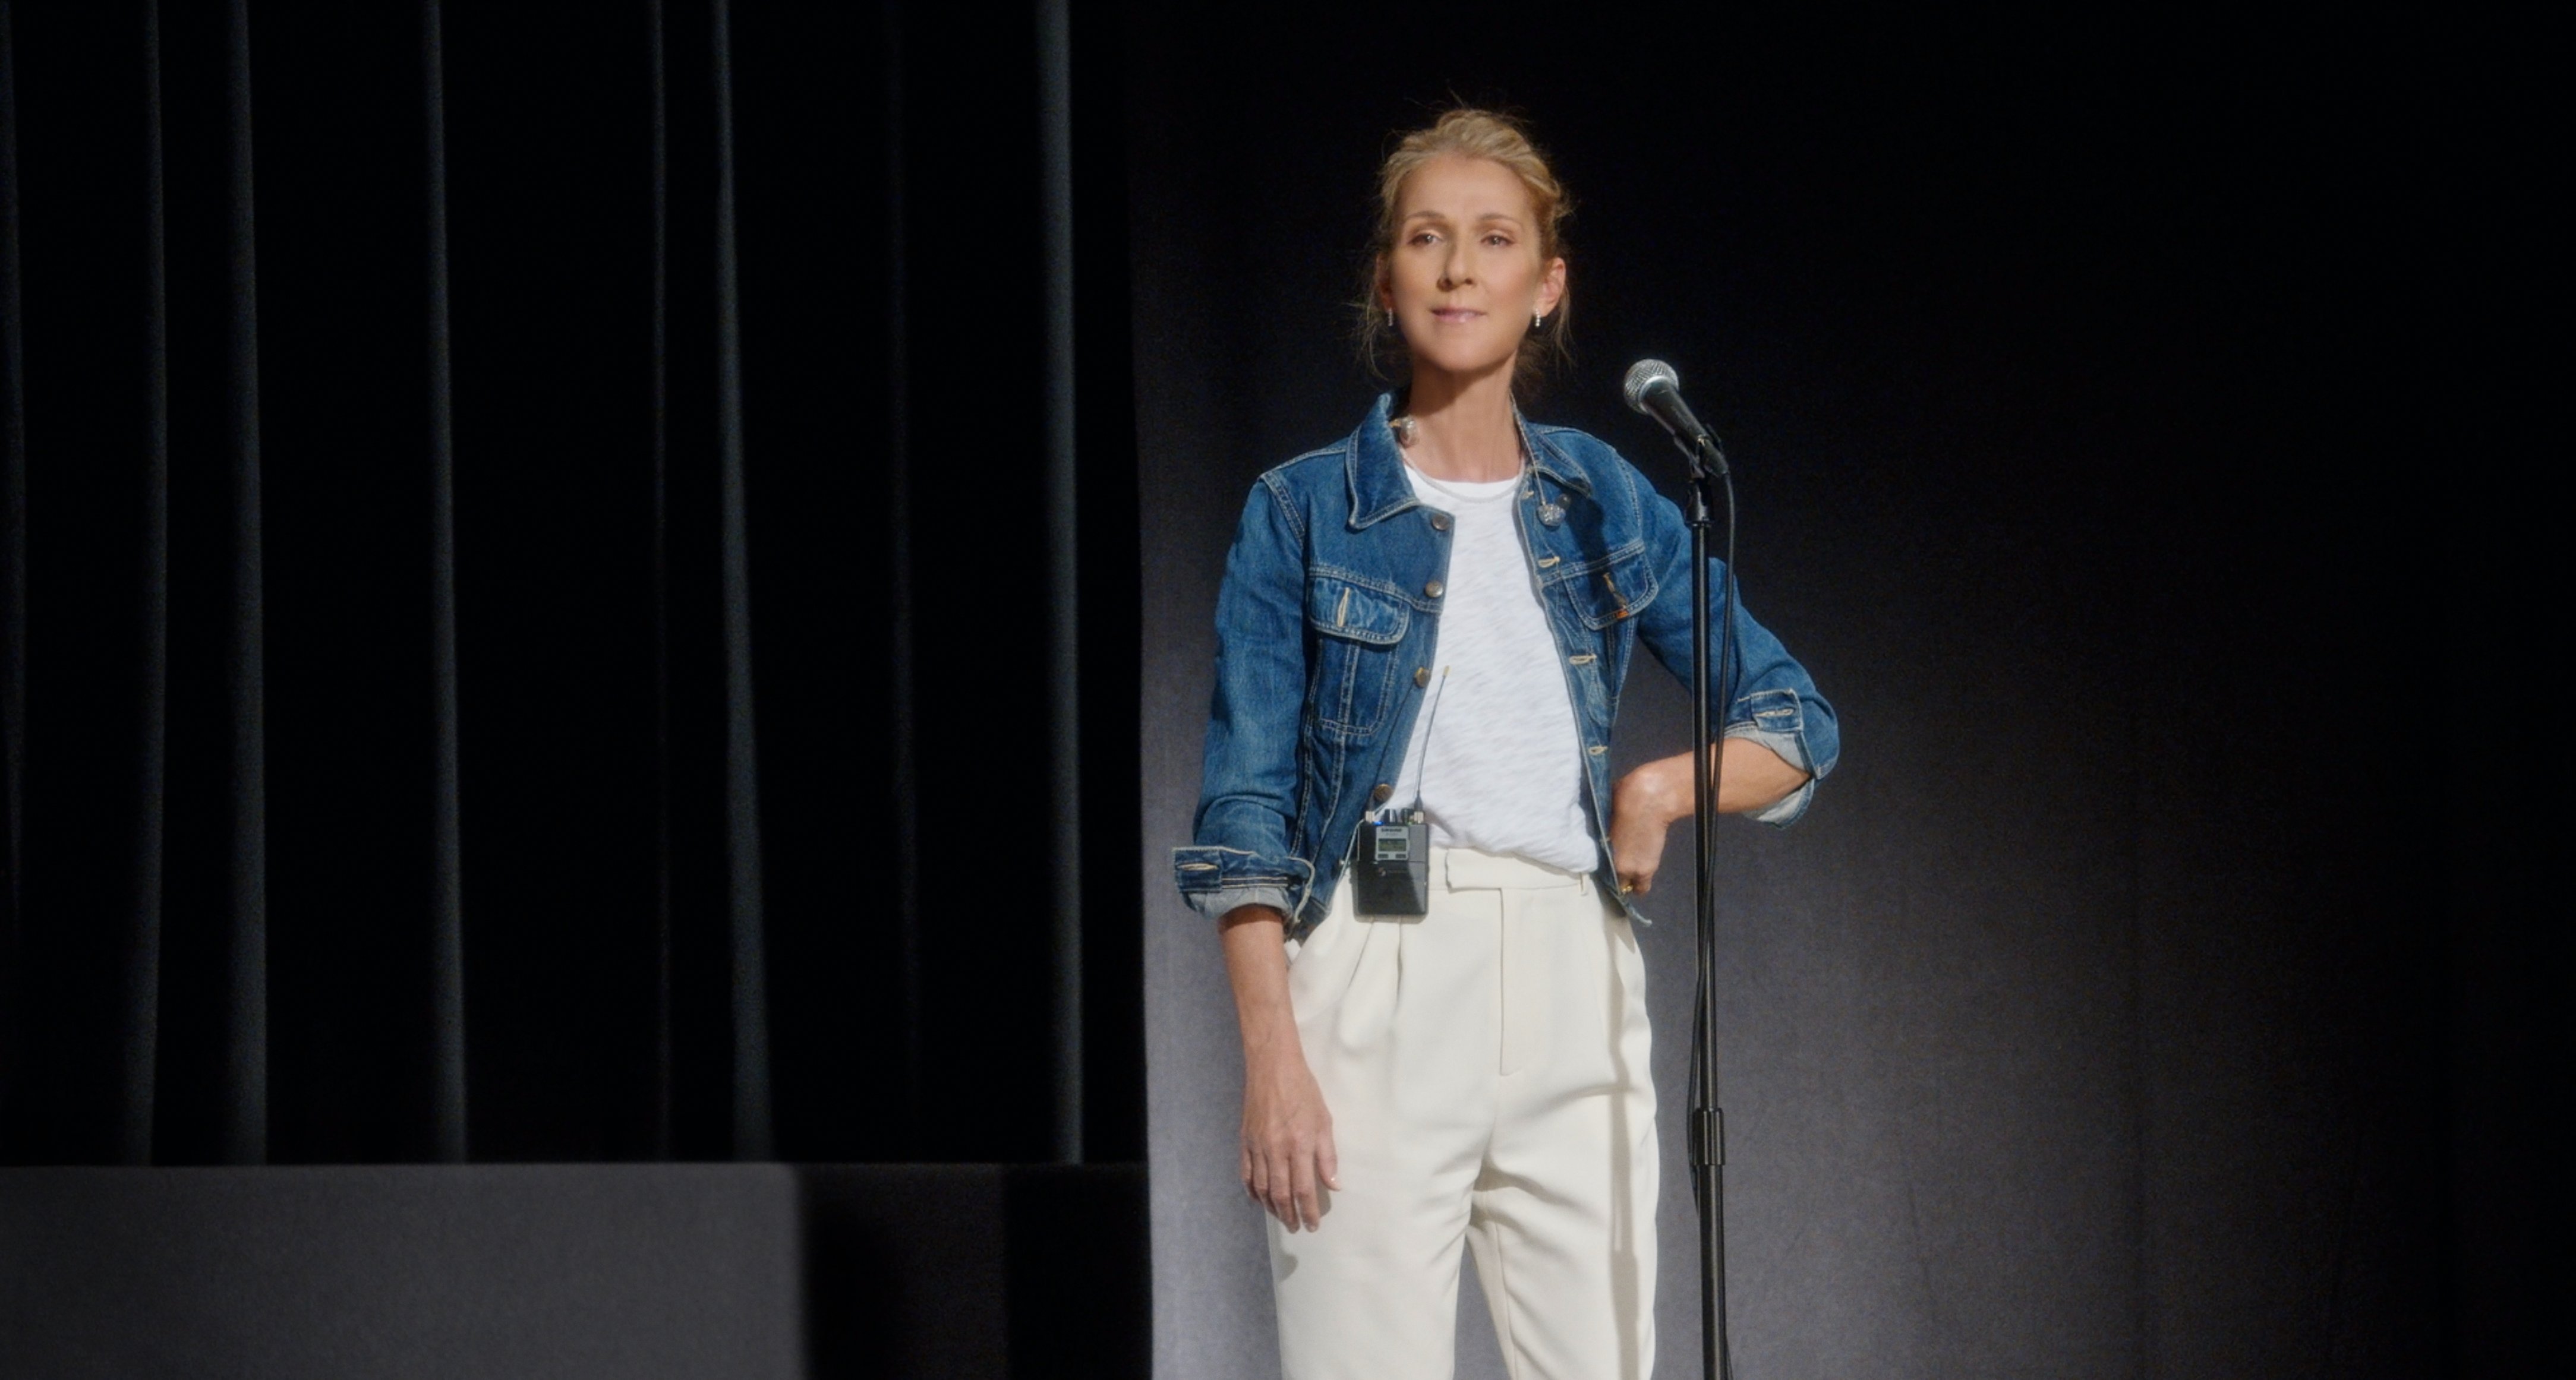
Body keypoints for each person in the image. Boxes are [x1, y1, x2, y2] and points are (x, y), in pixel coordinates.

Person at [1173, 108, 1839, 1380]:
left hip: (1570, 975)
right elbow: (1245, 817)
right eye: (1426, 238)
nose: (1458, 269)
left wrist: (1660, 789)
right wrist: (1273, 1063)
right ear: (1386, 280)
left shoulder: (1603, 497)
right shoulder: (1301, 510)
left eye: (1493, 240)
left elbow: (1795, 721)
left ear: (1547, 286)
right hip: (1373, 981)